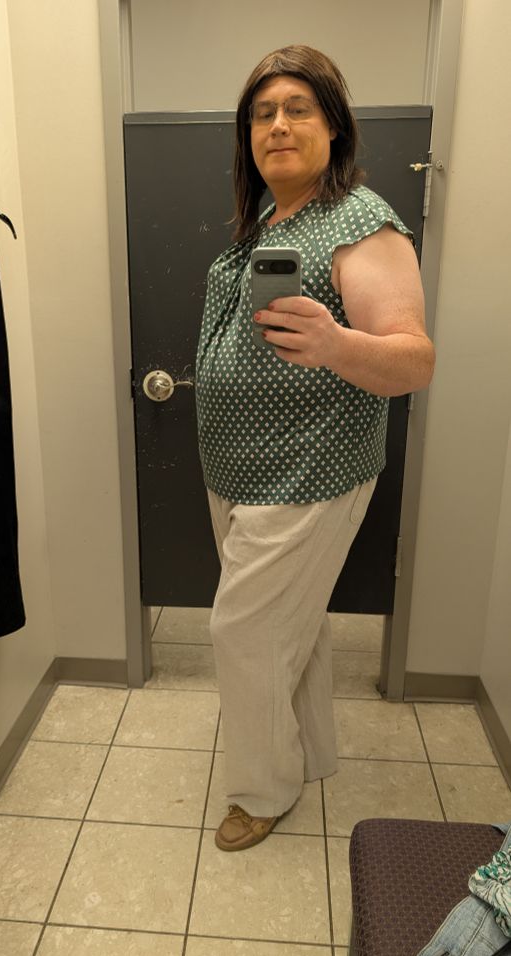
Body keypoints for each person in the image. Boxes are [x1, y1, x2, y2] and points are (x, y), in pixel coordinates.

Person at [195, 45, 435, 852]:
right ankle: (309, 755)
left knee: (247, 634)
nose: (277, 125)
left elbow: (413, 360)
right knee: (290, 628)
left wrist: (334, 344)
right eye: (261, 114)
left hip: (307, 470)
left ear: (333, 126)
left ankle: (261, 790)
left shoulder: (360, 222)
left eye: (297, 108)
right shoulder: (268, 219)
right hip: (240, 469)